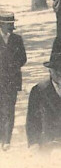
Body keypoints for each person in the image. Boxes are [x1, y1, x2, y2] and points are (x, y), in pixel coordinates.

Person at [26, 49, 61, 151]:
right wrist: (33, 143)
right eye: (56, 69)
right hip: (48, 142)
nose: (59, 72)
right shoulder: (38, 90)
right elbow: (32, 120)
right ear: (49, 70)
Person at [0, 12, 26, 150]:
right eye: (8, 24)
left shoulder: (17, 39)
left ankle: (7, 140)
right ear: (1, 25)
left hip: (12, 81)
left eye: (12, 24)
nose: (11, 27)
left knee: (9, 109)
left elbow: (23, 58)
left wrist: (13, 65)